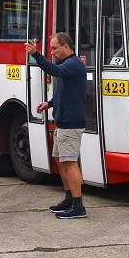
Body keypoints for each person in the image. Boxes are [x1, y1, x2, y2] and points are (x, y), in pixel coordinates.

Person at [25, 32, 88, 219]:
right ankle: (69, 200)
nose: (52, 52)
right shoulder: (66, 66)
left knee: (70, 162)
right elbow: (63, 91)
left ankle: (78, 206)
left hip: (71, 123)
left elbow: (54, 71)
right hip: (62, 122)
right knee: (62, 163)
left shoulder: (73, 64)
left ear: (66, 47)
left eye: (54, 48)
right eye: (50, 49)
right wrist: (50, 103)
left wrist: (36, 54)